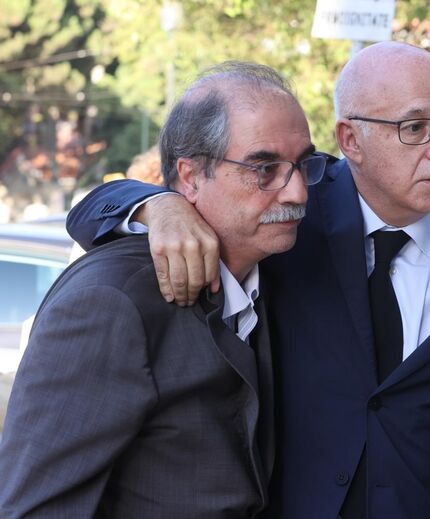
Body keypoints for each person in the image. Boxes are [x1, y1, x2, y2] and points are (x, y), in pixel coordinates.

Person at [66, 42, 430, 518]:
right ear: (350, 139)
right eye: (415, 127)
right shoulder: (288, 212)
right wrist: (158, 205)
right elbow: (92, 210)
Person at [0, 61, 326, 516]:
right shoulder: (111, 302)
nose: (298, 193)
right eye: (264, 168)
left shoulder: (272, 263)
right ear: (190, 177)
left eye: (303, 165)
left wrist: (152, 202)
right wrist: (156, 202)